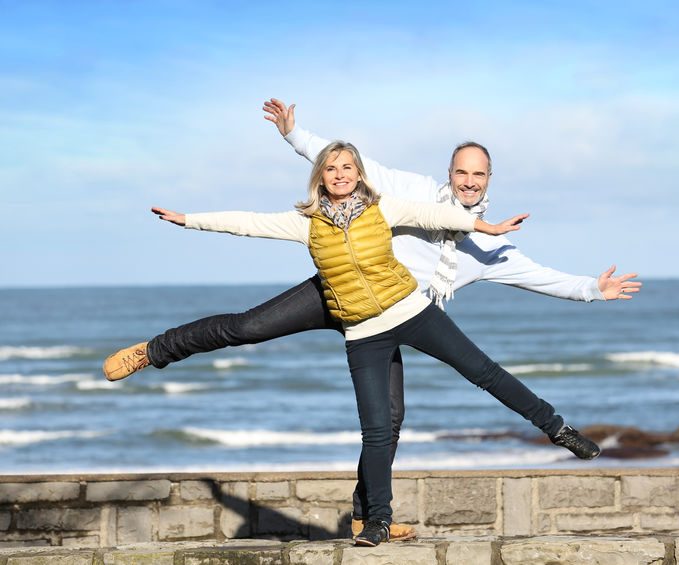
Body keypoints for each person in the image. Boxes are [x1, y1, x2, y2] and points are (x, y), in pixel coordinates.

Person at [104, 99, 641, 541]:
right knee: (247, 327)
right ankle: (153, 351)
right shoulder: (399, 194)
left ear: (488, 178)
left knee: (391, 417)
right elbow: (338, 168)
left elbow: (544, 277)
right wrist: (293, 136)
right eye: (461, 171)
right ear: (449, 172)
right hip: (335, 294)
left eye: (479, 174)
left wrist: (594, 289)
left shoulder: (487, 246)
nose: (469, 180)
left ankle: (367, 514)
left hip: (399, 313)